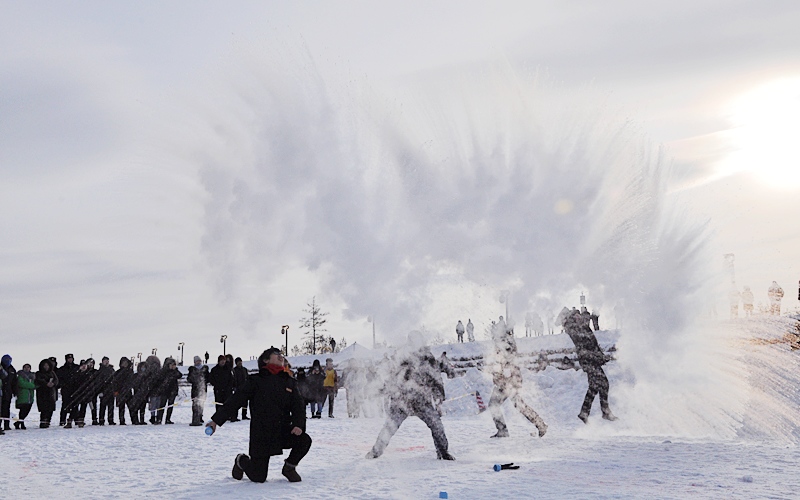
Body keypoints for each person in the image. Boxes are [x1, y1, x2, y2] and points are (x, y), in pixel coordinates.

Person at [206, 347, 312, 483]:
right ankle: (241, 461)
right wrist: (215, 420)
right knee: (258, 477)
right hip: (261, 435)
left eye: (281, 354)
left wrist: (298, 424)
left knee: (304, 440)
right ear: (266, 360)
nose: (281, 356)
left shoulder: (289, 381)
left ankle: (289, 468)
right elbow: (235, 400)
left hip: (282, 431)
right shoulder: (255, 380)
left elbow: (299, 407)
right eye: (276, 354)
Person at [366, 331, 453, 460]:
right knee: (390, 426)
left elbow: (436, 378)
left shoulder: (428, 358)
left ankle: (443, 452)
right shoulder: (402, 356)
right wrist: (380, 390)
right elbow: (392, 377)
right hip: (401, 400)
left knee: (436, 425)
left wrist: (439, 395)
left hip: (422, 400)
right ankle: (376, 451)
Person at [486, 326, 547, 438]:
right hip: (507, 381)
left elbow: (506, 362)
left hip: (506, 382)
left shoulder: (505, 344)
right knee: (519, 405)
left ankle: (503, 430)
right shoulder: (505, 343)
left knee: (494, 404)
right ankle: (540, 424)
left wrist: (502, 375)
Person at [564, 308, 617, 423]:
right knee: (604, 383)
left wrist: (601, 357)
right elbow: (584, 343)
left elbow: (593, 344)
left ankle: (585, 412)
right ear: (572, 318)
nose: (579, 316)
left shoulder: (583, 327)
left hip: (593, 360)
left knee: (594, 387)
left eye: (579, 314)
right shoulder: (573, 329)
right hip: (588, 361)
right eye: (576, 315)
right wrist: (568, 316)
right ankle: (604, 412)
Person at [208, 355, 235, 422]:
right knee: (218, 403)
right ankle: (219, 417)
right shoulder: (214, 370)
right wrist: (216, 385)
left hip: (227, 390)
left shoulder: (228, 369)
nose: (223, 362)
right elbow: (211, 379)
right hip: (218, 390)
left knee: (227, 403)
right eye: (221, 360)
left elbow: (232, 379)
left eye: (224, 360)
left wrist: (230, 387)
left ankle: (228, 416)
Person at [34, 359, 58, 429]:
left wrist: (53, 384)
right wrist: (46, 383)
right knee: (44, 408)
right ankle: (43, 422)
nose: (46, 367)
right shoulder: (39, 373)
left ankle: (48, 421)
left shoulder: (52, 373)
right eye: (44, 365)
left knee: (51, 408)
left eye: (47, 365)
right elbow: (38, 380)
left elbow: (56, 380)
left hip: (51, 392)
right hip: (42, 393)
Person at [158, 357, 183, 424]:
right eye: (171, 364)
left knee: (170, 406)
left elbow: (180, 375)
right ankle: (159, 419)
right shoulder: (163, 371)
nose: (172, 366)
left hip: (172, 391)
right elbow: (160, 379)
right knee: (162, 405)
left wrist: (175, 370)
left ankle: (168, 419)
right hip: (164, 391)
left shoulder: (175, 371)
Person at [56, 353, 79, 426]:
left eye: (71, 358)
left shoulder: (76, 367)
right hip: (66, 389)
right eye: (69, 358)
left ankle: (75, 419)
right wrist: (63, 384)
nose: (70, 359)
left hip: (75, 389)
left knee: (75, 405)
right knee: (65, 405)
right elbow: (59, 379)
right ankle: (62, 420)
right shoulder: (62, 369)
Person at [187, 355, 209, 426]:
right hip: (195, 390)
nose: (198, 362)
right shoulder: (192, 370)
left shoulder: (205, 369)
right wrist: (194, 379)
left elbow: (208, 378)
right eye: (197, 361)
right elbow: (189, 379)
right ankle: (195, 418)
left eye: (199, 361)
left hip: (203, 389)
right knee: (195, 404)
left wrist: (204, 381)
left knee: (201, 404)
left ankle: (200, 416)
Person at [113, 357, 134, 425]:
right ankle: (122, 421)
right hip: (120, 392)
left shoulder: (130, 371)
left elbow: (132, 381)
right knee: (121, 408)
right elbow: (115, 383)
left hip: (128, 392)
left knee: (131, 407)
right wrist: (116, 391)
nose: (125, 364)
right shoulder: (118, 372)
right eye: (123, 362)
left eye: (126, 362)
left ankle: (134, 420)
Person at [14, 363, 36, 429]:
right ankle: (21, 423)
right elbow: (22, 384)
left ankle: (18, 423)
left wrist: (32, 386)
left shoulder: (32, 376)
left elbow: (36, 384)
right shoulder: (20, 376)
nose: (27, 368)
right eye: (25, 367)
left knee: (27, 411)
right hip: (22, 396)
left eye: (28, 367)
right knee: (22, 411)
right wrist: (31, 386)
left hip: (30, 396)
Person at [97, 356, 116, 425]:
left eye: (107, 360)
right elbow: (98, 382)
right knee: (103, 406)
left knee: (111, 406)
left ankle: (111, 420)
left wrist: (114, 390)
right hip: (103, 391)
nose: (106, 362)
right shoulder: (100, 370)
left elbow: (115, 380)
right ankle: (101, 420)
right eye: (105, 361)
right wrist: (100, 391)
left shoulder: (111, 369)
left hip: (111, 390)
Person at [1, 354, 16, 431]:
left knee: (6, 409)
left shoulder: (12, 370)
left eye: (9, 360)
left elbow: (14, 382)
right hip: (1, 391)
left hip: (8, 392)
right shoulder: (1, 368)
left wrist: (15, 391)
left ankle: (6, 425)